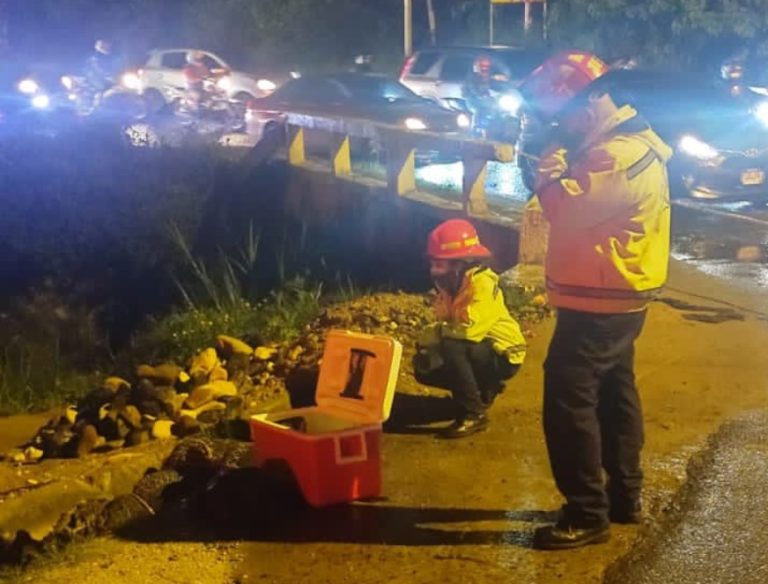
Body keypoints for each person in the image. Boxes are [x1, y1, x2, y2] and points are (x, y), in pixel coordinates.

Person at [518, 51, 673, 550]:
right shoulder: (622, 146)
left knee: (568, 402)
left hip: (599, 302)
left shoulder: (614, 157)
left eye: (560, 117)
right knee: (614, 394)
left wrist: (544, 172)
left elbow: (564, 209)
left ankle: (586, 514)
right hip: (615, 297)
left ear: (584, 108)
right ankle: (623, 497)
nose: (558, 126)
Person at [413, 219, 527, 439]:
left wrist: (432, 335)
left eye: (440, 264)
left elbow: (467, 331)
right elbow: (448, 324)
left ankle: (473, 414)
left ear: (459, 263)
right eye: (434, 264)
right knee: (426, 365)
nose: (435, 270)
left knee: (452, 347)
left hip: (504, 354)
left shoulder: (481, 284)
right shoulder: (452, 286)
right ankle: (482, 391)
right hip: (481, 350)